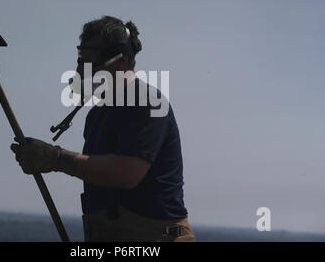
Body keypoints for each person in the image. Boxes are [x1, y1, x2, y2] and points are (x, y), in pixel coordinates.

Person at [10, 16, 195, 242]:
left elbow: (126, 174)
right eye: (81, 61)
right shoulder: (97, 114)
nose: (82, 70)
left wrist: (55, 159)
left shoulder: (147, 102)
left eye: (91, 62)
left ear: (122, 62)